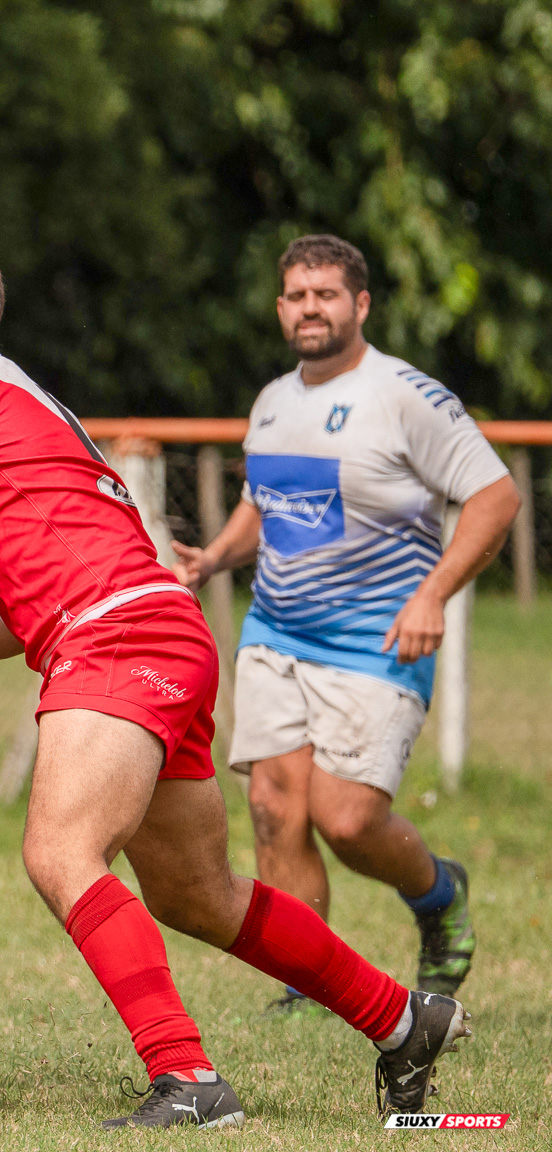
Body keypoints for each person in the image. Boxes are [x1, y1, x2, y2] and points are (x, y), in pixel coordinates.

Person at [0, 222, 473, 1126]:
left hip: (116, 639)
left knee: (59, 851)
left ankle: (187, 1079)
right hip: (149, 627)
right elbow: (18, 607)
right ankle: (401, 1017)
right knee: (199, 894)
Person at [172, 234, 518, 1010]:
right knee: (272, 807)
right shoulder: (273, 400)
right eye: (296, 294)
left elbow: (496, 498)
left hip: (379, 637)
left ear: (360, 304)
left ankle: (440, 898)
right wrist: (215, 558)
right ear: (280, 307)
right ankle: (309, 982)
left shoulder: (405, 396)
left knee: (349, 818)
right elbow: (268, 503)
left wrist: (433, 593)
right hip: (279, 632)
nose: (310, 308)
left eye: (326, 294)